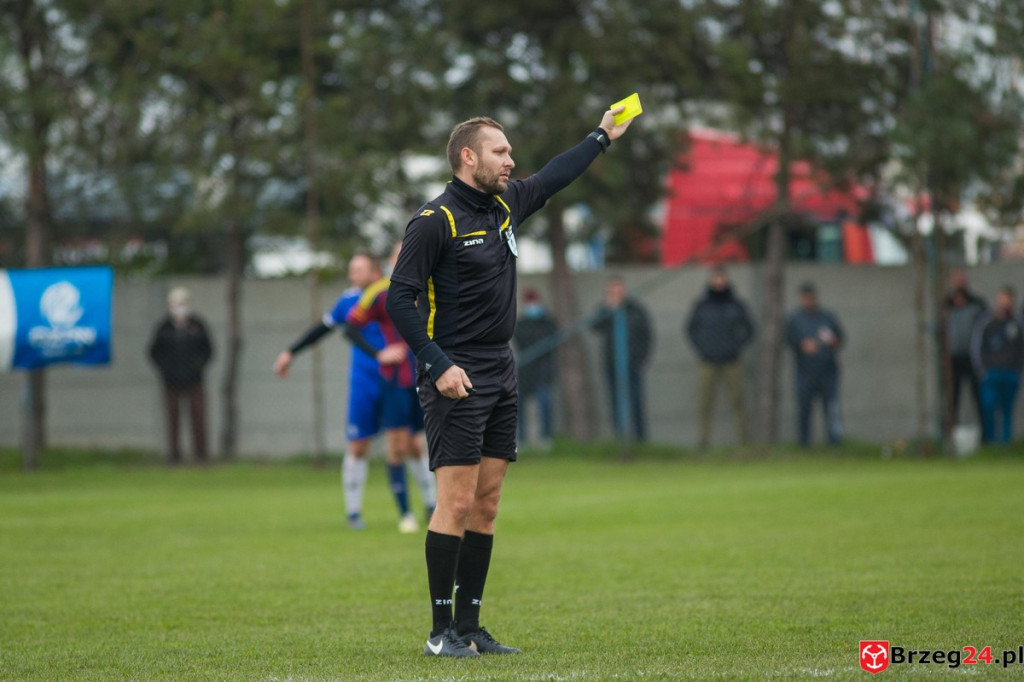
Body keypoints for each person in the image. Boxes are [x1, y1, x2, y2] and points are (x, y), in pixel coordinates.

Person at [386, 108, 633, 657]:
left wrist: (601, 136)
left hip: (501, 368)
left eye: (510, 151)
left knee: (488, 502)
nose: (510, 160)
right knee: (453, 502)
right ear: (467, 157)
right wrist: (437, 362)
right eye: (500, 151)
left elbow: (552, 176)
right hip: (456, 371)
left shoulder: (504, 204)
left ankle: (471, 628)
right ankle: (439, 633)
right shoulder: (435, 221)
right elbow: (398, 299)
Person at [274, 253, 432, 533]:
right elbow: (324, 330)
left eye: (357, 270)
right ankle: (354, 512)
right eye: (350, 270)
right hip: (364, 383)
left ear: (374, 272)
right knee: (359, 446)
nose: (351, 275)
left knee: (411, 444)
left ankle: (430, 505)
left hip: (398, 379)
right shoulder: (348, 302)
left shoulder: (392, 294)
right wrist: (290, 352)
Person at [344, 242, 436, 533]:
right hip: (395, 380)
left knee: (419, 445)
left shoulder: (430, 287)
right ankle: (405, 514)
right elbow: (350, 328)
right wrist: (380, 353)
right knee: (396, 445)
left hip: (426, 377)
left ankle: (433, 507)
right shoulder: (379, 292)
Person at [685, 265, 755, 448]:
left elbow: (749, 330)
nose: (719, 281)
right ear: (710, 280)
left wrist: (735, 347)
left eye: (721, 277)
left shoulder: (736, 304)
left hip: (731, 361)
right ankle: (703, 443)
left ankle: (743, 442)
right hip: (707, 361)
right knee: (705, 404)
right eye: (715, 277)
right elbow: (691, 329)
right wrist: (703, 349)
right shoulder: (702, 305)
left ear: (726, 280)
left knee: (738, 402)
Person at [148, 286, 214, 464]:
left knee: (198, 418)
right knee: (172, 419)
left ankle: (201, 456)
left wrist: (197, 366)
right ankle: (174, 456)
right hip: (171, 381)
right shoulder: (164, 327)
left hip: (195, 380)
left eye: (183, 303)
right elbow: (154, 352)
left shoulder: (197, 325)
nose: (180, 307)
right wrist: (166, 370)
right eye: (176, 304)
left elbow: (208, 350)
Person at [592, 276, 654, 442]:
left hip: (633, 364)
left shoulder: (636, 311)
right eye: (612, 291)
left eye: (619, 291)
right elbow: (595, 327)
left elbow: (647, 336)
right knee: (615, 402)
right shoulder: (606, 311)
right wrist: (608, 309)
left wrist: (641, 359)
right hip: (612, 364)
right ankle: (620, 439)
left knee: (636, 402)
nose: (616, 294)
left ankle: (641, 439)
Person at [786, 282, 844, 447]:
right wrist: (802, 346)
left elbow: (840, 338)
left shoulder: (827, 317)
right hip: (805, 372)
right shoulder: (795, 319)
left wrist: (833, 341)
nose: (809, 301)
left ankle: (835, 442)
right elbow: (790, 340)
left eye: (812, 297)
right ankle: (804, 444)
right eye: (806, 298)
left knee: (831, 408)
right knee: (804, 409)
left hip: (828, 371)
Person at [970, 286, 1024, 444]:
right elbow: (976, 347)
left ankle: (1006, 444)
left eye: (1008, 301)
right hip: (990, 373)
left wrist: (1019, 370)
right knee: (989, 407)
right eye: (1003, 300)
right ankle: (991, 443)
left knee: (1007, 410)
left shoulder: (1018, 322)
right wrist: (982, 370)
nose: (1005, 304)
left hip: (1012, 373)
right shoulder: (986, 321)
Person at [512, 289, 558, 447]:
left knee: (544, 402)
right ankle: (521, 438)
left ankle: (546, 437)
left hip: (543, 369)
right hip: (526, 370)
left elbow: (551, 339)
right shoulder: (521, 323)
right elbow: (520, 340)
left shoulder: (547, 321)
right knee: (519, 405)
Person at [944, 269, 987, 428]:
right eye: (956, 280)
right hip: (953, 359)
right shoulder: (946, 304)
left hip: (973, 358)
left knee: (978, 397)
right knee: (952, 399)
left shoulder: (977, 304)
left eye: (961, 280)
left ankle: (985, 436)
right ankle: (951, 434)